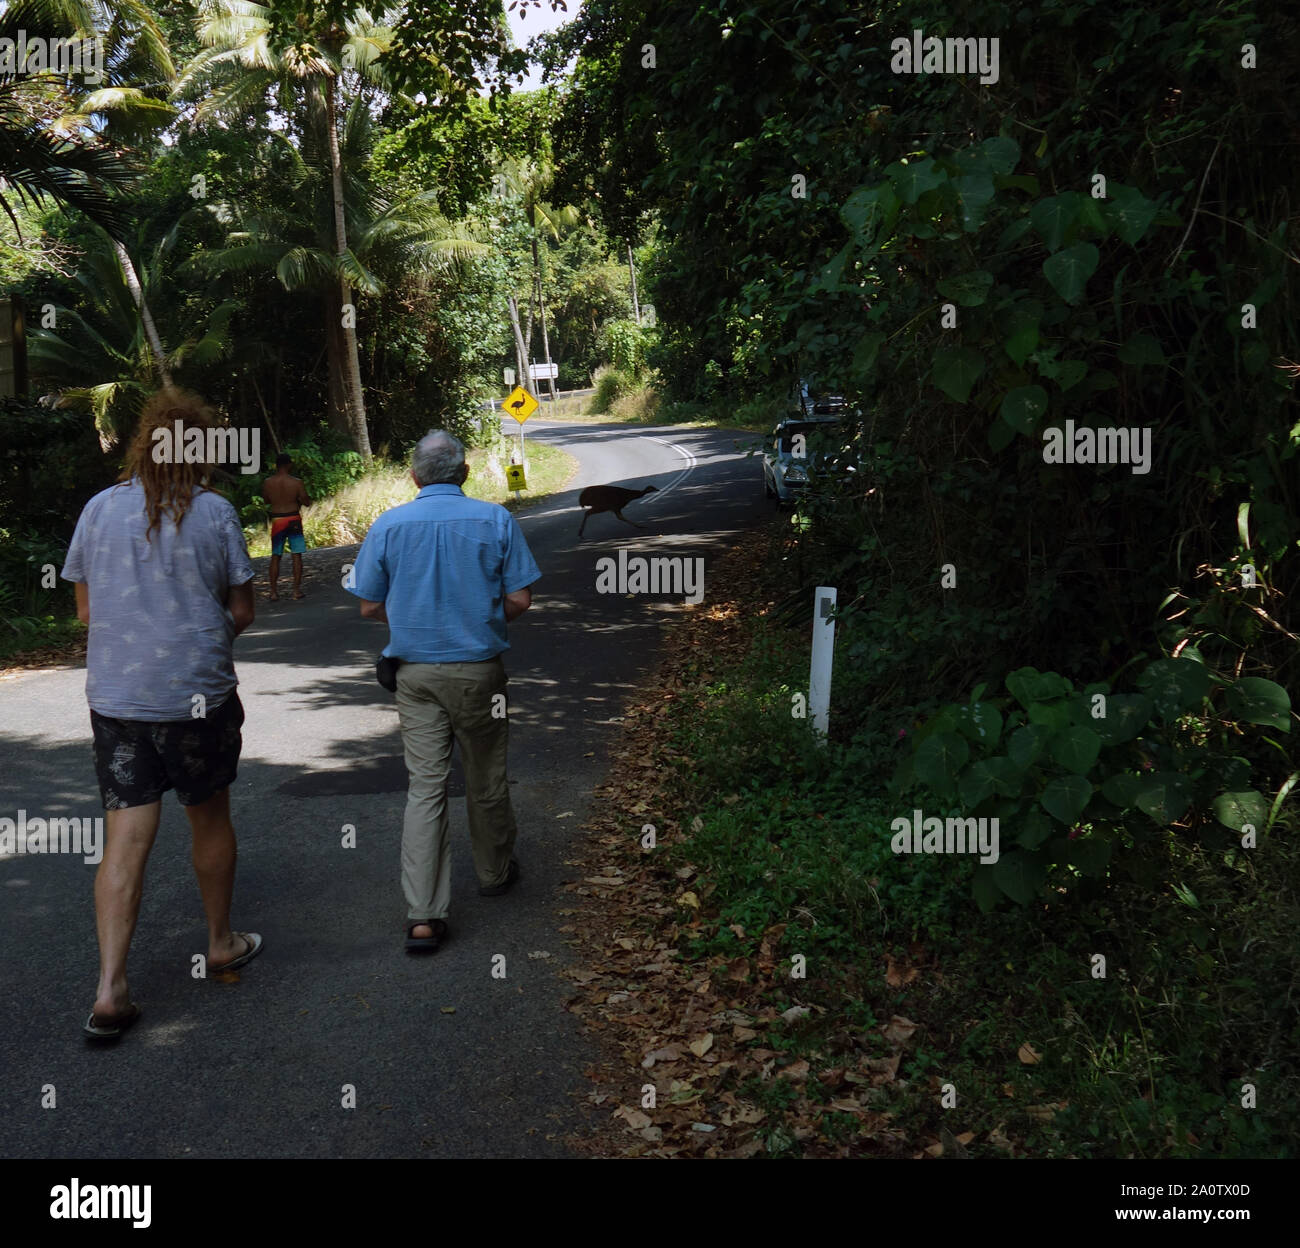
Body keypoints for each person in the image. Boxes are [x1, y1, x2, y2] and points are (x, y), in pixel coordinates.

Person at [61, 386, 263, 1042]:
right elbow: (241, 612)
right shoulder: (216, 513)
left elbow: (88, 613)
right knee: (208, 820)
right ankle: (220, 941)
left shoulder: (97, 511)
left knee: (124, 839)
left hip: (118, 701)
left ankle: (110, 987)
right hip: (196, 699)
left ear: (139, 443)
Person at [348, 430, 540, 953]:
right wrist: (477, 615)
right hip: (480, 672)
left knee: (426, 786)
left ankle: (425, 916)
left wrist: (413, 615)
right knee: (485, 774)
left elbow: (367, 606)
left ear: (413, 476)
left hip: (414, 677)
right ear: (465, 473)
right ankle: (495, 871)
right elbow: (520, 598)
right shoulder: (495, 519)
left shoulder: (388, 524)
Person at [261, 452, 310, 600]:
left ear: (276, 466)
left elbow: (266, 500)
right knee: (296, 554)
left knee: (276, 555)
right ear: (289, 465)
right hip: (293, 517)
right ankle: (296, 591)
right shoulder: (296, 482)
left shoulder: (268, 482)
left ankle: (273, 592)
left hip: (277, 520)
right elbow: (306, 501)